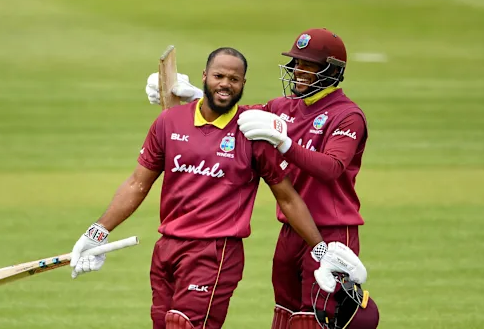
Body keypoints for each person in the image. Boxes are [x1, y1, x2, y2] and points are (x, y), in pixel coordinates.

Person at [71, 47, 368, 329]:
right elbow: (137, 182)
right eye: (218, 77)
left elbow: (289, 196)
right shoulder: (169, 122)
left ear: (243, 83)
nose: (226, 84)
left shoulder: (255, 134)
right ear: (204, 76)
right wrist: (96, 232)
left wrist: (319, 249)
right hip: (167, 249)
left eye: (234, 79)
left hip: (216, 251)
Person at [145, 29, 378, 328]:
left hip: (333, 232)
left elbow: (332, 168)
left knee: (317, 318)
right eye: (297, 64)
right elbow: (235, 118)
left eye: (308, 66)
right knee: (284, 315)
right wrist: (195, 96)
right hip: (292, 228)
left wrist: (285, 145)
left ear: (331, 71)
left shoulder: (347, 116)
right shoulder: (282, 107)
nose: (298, 72)